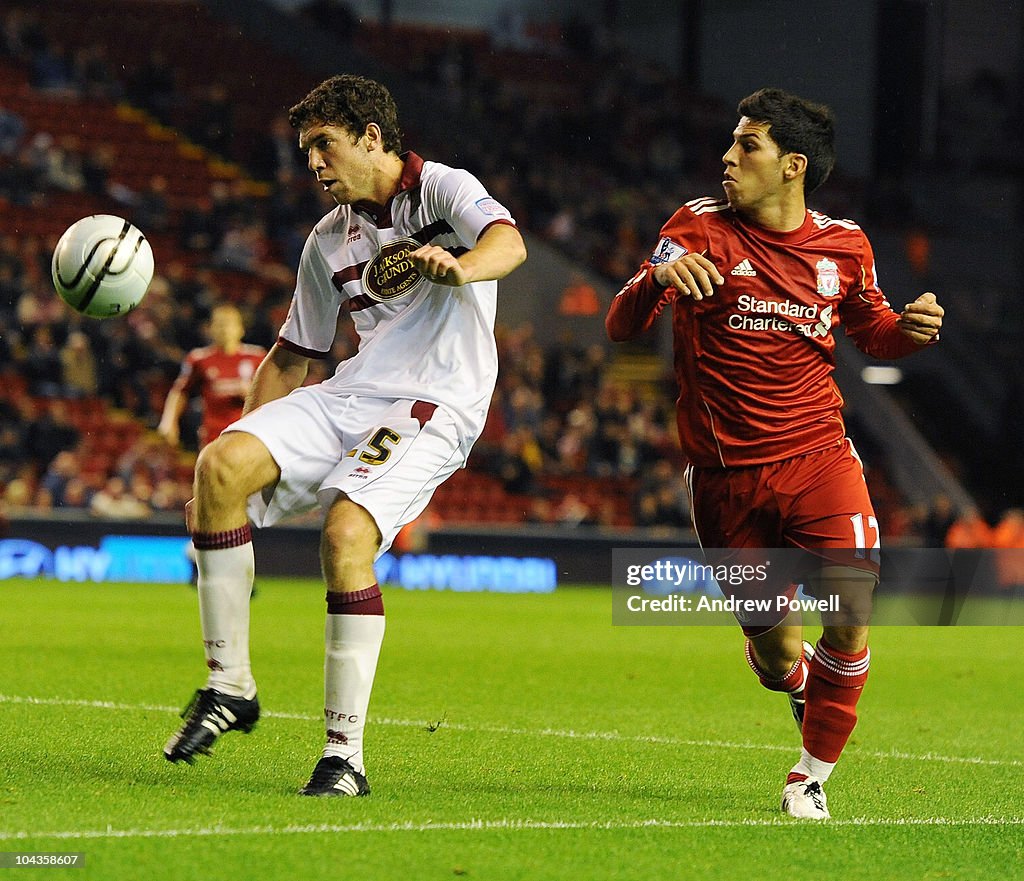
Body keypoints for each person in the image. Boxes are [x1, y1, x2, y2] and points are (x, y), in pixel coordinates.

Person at [163, 74, 527, 797]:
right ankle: (230, 685)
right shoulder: (329, 239)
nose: (314, 163)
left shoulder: (443, 189)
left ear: (371, 136)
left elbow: (508, 242)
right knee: (219, 464)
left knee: (346, 532)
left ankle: (343, 757)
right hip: (355, 390)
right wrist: (220, 492)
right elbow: (294, 356)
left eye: (325, 145)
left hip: (435, 400)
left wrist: (462, 267)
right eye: (306, 151)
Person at [606, 88, 943, 820]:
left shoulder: (845, 245)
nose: (728, 157)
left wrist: (908, 332)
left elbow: (873, 329)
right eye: (731, 143)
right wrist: (656, 278)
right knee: (778, 653)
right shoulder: (695, 227)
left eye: (746, 146)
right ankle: (795, 687)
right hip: (725, 481)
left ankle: (809, 776)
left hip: (820, 456)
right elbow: (619, 322)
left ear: (792, 165)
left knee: (852, 611)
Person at [158, 303, 267, 450]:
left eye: (229, 324)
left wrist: (252, 395)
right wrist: (169, 420)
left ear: (241, 329)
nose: (225, 330)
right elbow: (180, 391)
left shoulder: (258, 357)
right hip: (213, 434)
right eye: (220, 324)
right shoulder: (199, 359)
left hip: (249, 433)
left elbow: (272, 393)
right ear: (211, 329)